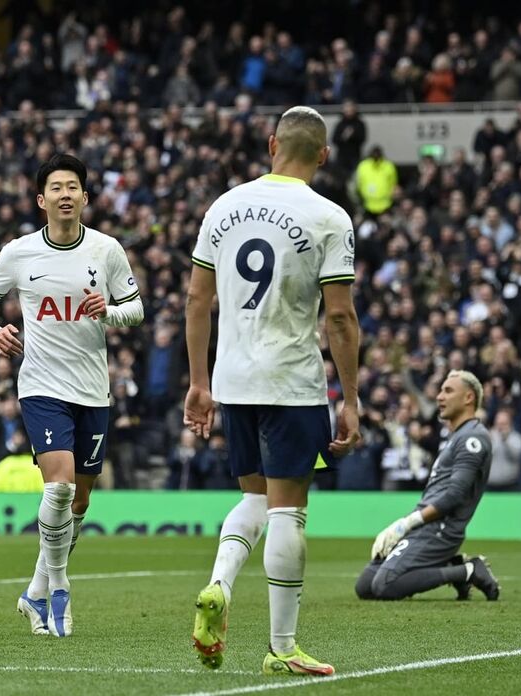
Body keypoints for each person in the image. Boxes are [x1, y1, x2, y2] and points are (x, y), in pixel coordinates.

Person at [184, 106, 360, 676]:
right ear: (324, 156)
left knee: (254, 499)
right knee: (288, 511)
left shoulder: (224, 205)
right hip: (291, 381)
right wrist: (351, 398)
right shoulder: (329, 217)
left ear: (270, 144)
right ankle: (282, 647)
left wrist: (198, 383)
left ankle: (218, 585)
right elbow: (339, 317)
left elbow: (196, 300)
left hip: (233, 381)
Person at [0, 153, 144, 638]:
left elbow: (137, 309)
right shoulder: (19, 252)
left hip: (93, 389)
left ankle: (33, 592)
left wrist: (108, 311)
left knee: (80, 503)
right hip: (42, 386)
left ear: (85, 198)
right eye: (56, 188)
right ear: (41, 199)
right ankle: (61, 592)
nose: (65, 195)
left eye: (74, 187)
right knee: (60, 487)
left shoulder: (106, 250)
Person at [354, 371, 500, 602]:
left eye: (448, 391)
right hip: (425, 525)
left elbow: (454, 494)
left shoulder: (473, 439)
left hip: (440, 529)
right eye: (441, 390)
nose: (440, 397)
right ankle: (454, 564)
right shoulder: (456, 436)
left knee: (385, 585)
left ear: (468, 398)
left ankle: (468, 571)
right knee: (365, 586)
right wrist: (404, 523)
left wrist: (408, 522)